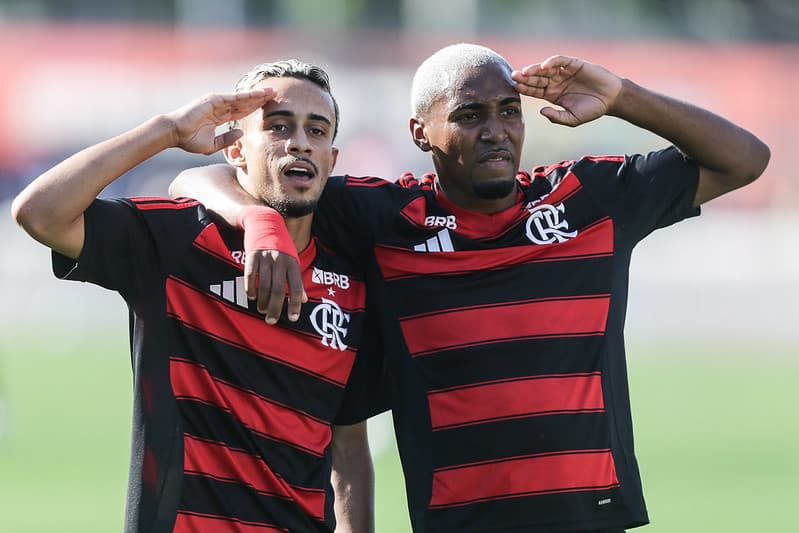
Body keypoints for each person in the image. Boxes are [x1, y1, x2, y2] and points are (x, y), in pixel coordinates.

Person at [170, 44, 770, 532]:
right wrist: (260, 222)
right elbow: (204, 176)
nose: (496, 131)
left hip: (592, 516)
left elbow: (743, 159)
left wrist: (621, 96)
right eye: (469, 115)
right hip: (461, 521)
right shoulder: (381, 217)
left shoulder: (590, 198)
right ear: (420, 132)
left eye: (509, 110)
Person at [11, 60, 385, 532]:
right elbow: (40, 213)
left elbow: (348, 449)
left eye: (316, 129)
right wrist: (167, 130)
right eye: (278, 126)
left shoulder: (351, 278)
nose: (299, 142)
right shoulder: (177, 241)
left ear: (332, 157)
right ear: (236, 151)